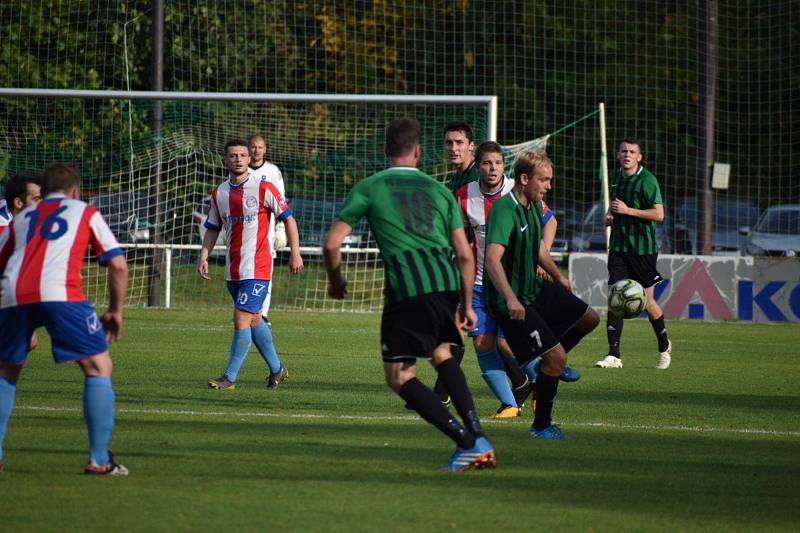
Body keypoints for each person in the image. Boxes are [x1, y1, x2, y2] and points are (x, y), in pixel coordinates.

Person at [324, 117, 495, 472]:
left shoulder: (371, 186)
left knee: (400, 376)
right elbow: (465, 254)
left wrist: (336, 280)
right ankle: (478, 434)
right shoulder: (440, 191)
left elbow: (331, 243)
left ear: (387, 150)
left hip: (408, 289)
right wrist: (466, 303)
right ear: (418, 151)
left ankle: (468, 442)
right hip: (446, 283)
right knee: (442, 353)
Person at [0, 163, 129, 475]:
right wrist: (115, 310)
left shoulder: (22, 218)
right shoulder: (85, 211)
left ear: (43, 192)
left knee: (5, 372)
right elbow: (118, 264)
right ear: (74, 191)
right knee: (99, 367)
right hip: (62, 293)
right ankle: (99, 460)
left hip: (14, 295)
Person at [455, 142, 579, 419]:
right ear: (477, 168)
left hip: (515, 282)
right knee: (482, 344)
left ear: (504, 166)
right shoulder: (464, 196)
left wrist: (540, 256)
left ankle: (541, 377)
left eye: (497, 163)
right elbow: (460, 237)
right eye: (486, 163)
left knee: (507, 343)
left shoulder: (520, 189)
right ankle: (510, 403)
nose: (493, 168)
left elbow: (549, 220)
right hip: (479, 282)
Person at [484, 150, 599, 440]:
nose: (548, 186)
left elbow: (537, 248)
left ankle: (547, 364)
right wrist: (509, 298)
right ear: (524, 179)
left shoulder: (534, 205)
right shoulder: (504, 209)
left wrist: (558, 276)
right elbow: (492, 260)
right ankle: (541, 425)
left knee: (589, 318)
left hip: (534, 289)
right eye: (544, 180)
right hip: (511, 300)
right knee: (557, 358)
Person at [199, 140, 304, 391]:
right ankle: (278, 369)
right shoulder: (219, 193)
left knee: (241, 318)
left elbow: (289, 220)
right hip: (233, 269)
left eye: (242, 155)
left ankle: (230, 377)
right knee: (255, 319)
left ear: (249, 159)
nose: (238, 159)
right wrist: (204, 256)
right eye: (233, 155)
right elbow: (213, 229)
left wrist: (295, 253)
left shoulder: (263, 187)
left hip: (258, 266)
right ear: (226, 159)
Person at [595, 138, 672, 370]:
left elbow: (659, 215)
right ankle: (613, 354)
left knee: (648, 302)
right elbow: (613, 210)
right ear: (618, 155)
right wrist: (609, 217)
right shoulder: (616, 178)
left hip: (642, 251)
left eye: (632, 151)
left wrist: (629, 211)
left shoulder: (647, 180)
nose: (627, 154)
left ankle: (664, 346)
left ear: (639, 157)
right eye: (623, 151)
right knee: (616, 298)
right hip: (619, 248)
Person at [248, 134, 288, 325]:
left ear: (265, 149)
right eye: (253, 147)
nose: (257, 151)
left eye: (260, 147)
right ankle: (245, 308)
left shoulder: (273, 172)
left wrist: (281, 227)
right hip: (244, 231)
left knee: (265, 273)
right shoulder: (239, 170)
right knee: (243, 272)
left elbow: (281, 203)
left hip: (266, 232)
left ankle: (262, 313)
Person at [1, 173, 44, 352]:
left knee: (28, 340)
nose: (42, 203)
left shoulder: (25, 222)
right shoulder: (5, 227)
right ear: (19, 203)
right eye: (37, 199)